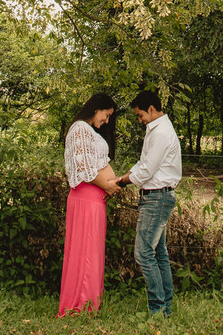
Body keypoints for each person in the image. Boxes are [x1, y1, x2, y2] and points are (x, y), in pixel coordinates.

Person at [116, 89, 182, 317]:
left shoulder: (161, 132)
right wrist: (124, 176)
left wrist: (123, 181)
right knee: (159, 253)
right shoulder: (156, 129)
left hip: (157, 198)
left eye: (140, 115)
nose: (139, 119)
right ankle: (165, 308)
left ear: (151, 109)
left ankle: (158, 309)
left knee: (143, 253)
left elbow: (146, 170)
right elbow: (143, 162)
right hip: (156, 196)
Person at [58, 92, 119, 317]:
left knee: (91, 250)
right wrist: (108, 186)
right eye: (106, 114)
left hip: (93, 200)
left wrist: (111, 184)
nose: (107, 120)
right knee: (84, 250)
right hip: (85, 198)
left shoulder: (88, 130)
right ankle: (80, 304)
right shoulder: (81, 129)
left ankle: (89, 303)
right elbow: (83, 169)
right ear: (96, 108)